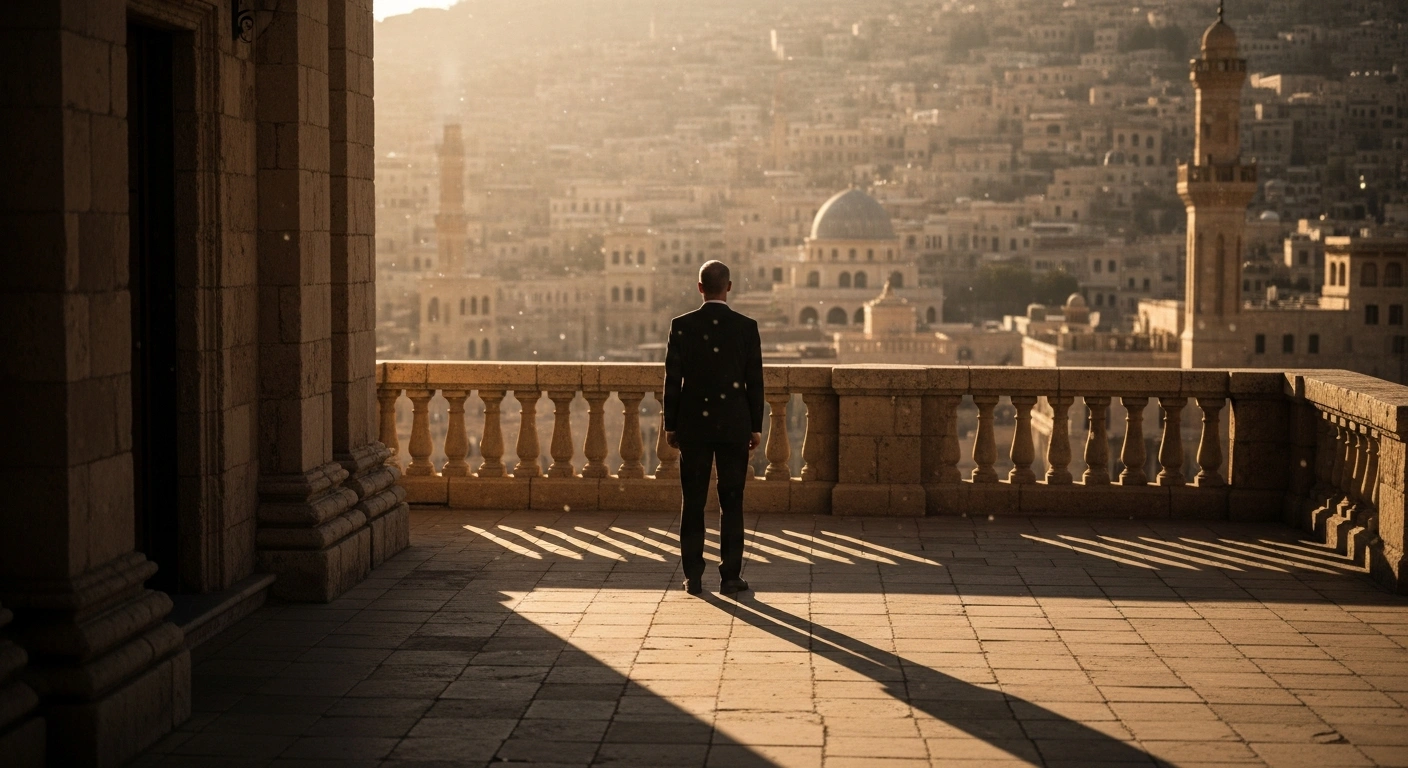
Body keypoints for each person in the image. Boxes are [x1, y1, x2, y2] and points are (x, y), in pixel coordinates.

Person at [663, 260, 763, 596]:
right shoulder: (746, 327)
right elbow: (754, 382)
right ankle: (730, 576)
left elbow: (672, 380)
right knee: (731, 501)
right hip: (734, 424)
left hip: (694, 425)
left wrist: (671, 424)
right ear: (729, 287)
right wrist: (755, 426)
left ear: (700, 287)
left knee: (692, 502)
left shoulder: (682, 325)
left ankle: (693, 576)